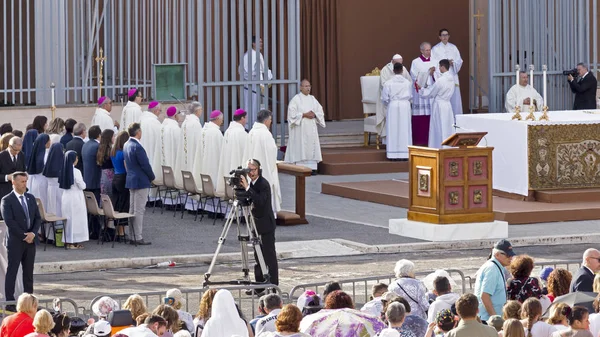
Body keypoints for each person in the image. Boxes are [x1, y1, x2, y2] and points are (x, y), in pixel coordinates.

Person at [240, 158, 279, 295]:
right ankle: (259, 286)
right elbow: (250, 199)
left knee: (269, 257)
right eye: (248, 170)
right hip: (255, 223)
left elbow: (260, 201)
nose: (250, 172)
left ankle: (274, 287)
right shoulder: (252, 183)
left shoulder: (263, 184)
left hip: (266, 225)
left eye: (253, 169)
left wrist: (247, 188)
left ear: (258, 169)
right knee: (258, 257)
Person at [1, 172, 41, 303]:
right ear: (14, 182)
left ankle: (29, 300)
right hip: (15, 242)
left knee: (28, 272)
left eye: (26, 181)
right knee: (12, 271)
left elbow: (37, 218)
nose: (25, 184)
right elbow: (10, 222)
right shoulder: (7, 200)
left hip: (31, 241)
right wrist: (24, 236)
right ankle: (10, 301)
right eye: (22, 182)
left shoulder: (30, 197)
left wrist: (33, 234)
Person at [243, 109, 282, 213]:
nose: (271, 122)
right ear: (266, 120)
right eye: (270, 119)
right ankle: (269, 215)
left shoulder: (251, 132)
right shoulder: (266, 134)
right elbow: (272, 151)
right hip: (264, 169)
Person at [284, 79, 326, 172]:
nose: (308, 88)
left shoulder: (312, 99)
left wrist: (314, 114)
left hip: (311, 128)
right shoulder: (296, 99)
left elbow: (320, 111)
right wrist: (303, 114)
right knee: (301, 146)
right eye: (306, 86)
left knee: (311, 147)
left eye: (309, 86)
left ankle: (312, 168)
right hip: (301, 129)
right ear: (300, 87)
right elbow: (292, 115)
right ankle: (300, 167)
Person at [124, 123, 155, 245]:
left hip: (131, 179)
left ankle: (132, 235)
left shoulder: (126, 144)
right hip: (141, 180)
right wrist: (152, 176)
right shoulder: (138, 147)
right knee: (139, 210)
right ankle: (137, 236)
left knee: (132, 209)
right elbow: (145, 165)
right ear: (138, 132)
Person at [474, 239, 516, 321]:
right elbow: (485, 296)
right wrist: (496, 319)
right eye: (508, 255)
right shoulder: (492, 269)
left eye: (511, 255)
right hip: (488, 320)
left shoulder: (496, 267)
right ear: (497, 255)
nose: (511, 258)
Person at [420, 59, 456, 149]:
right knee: (447, 126)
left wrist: (422, 89)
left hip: (439, 105)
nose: (438, 68)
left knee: (438, 127)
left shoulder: (441, 80)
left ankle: (437, 146)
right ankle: (448, 146)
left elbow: (431, 93)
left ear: (443, 67)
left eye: (439, 66)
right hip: (447, 105)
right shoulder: (452, 79)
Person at [381, 62, 413, 160]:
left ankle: (392, 155)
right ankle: (405, 154)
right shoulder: (407, 83)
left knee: (393, 129)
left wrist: (389, 103)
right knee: (404, 129)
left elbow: (385, 98)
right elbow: (411, 96)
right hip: (404, 106)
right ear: (402, 70)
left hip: (393, 105)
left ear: (393, 71)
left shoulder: (388, 83)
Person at [241, 36, 273, 126]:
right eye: (259, 42)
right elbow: (245, 71)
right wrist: (256, 74)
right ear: (253, 43)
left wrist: (268, 76)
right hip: (251, 85)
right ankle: (248, 124)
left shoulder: (258, 54)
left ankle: (257, 123)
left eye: (261, 42)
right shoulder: (249, 55)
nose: (261, 44)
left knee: (258, 105)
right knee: (250, 104)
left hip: (258, 84)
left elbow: (264, 69)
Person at [216, 109, 249, 197]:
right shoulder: (241, 133)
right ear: (242, 118)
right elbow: (246, 153)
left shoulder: (228, 131)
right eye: (245, 118)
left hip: (228, 166)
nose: (246, 121)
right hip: (237, 166)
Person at [59, 150, 88, 249]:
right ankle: (74, 241)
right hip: (76, 197)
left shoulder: (62, 169)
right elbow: (82, 186)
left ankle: (68, 241)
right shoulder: (76, 171)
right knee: (77, 220)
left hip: (66, 196)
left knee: (68, 219)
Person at [410, 42, 437, 146]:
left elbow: (439, 75)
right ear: (421, 51)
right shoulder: (415, 62)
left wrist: (434, 73)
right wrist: (428, 72)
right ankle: (419, 140)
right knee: (421, 116)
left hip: (431, 92)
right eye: (426, 50)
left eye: (430, 50)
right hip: (420, 94)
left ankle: (432, 140)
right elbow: (414, 76)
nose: (428, 52)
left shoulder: (435, 61)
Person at [192, 110, 224, 200]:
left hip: (203, 164)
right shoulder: (216, 132)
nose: (222, 122)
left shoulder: (203, 130)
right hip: (212, 165)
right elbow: (221, 152)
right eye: (222, 119)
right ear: (217, 119)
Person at [431, 28, 464, 116]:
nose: (445, 37)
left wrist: (453, 63)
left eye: (446, 35)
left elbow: (459, 61)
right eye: (443, 35)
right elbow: (434, 63)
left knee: (455, 98)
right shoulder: (435, 49)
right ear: (439, 37)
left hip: (452, 75)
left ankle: (455, 118)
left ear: (449, 36)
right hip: (442, 77)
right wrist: (445, 63)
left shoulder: (453, 48)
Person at [175, 101, 204, 197]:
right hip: (193, 155)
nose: (202, 111)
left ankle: (188, 204)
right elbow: (198, 142)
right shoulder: (195, 124)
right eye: (201, 109)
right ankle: (195, 205)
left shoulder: (185, 122)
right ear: (198, 110)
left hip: (185, 154)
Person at [82, 125, 102, 239]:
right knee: (95, 208)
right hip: (95, 180)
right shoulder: (96, 146)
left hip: (87, 179)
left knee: (89, 207)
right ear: (99, 135)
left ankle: (90, 229)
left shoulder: (85, 145)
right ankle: (95, 231)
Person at [111, 131, 131, 240]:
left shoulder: (113, 151)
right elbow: (126, 167)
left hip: (115, 177)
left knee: (117, 204)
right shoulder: (123, 152)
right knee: (124, 205)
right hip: (123, 178)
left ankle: (118, 230)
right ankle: (122, 232)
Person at [160, 106, 182, 205]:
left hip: (164, 157)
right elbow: (179, 145)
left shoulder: (163, 126)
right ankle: (174, 202)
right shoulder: (175, 127)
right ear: (175, 115)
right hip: (173, 156)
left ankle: (167, 202)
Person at [140, 100, 164, 187]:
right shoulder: (155, 123)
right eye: (160, 111)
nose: (160, 113)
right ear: (155, 110)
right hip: (153, 153)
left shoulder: (141, 120)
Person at [26, 133, 51, 209]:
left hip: (34, 182)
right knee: (43, 204)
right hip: (43, 182)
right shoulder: (46, 155)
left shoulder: (34, 153)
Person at [42, 143, 65, 221]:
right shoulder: (62, 164)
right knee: (59, 210)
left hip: (50, 190)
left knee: (52, 209)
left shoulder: (49, 163)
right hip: (60, 190)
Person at [0, 136, 25, 203]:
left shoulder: (21, 155)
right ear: (9, 146)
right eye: (15, 150)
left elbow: (23, 170)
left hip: (18, 191)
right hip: (4, 191)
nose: (17, 152)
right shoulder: (1, 156)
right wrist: (7, 177)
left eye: (19, 150)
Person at [97, 129, 115, 201]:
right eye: (113, 136)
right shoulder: (110, 150)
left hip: (102, 174)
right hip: (110, 175)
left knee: (104, 196)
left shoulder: (100, 148)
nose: (114, 137)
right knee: (110, 196)